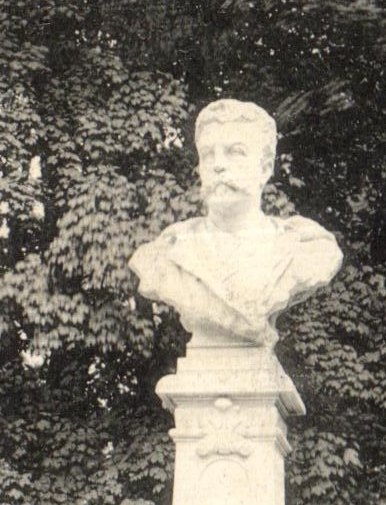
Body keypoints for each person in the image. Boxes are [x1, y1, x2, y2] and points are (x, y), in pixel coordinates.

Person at [129, 100, 342, 346]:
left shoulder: (305, 248)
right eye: (208, 154)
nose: (218, 165)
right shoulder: (166, 252)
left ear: (264, 168)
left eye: (235, 152)